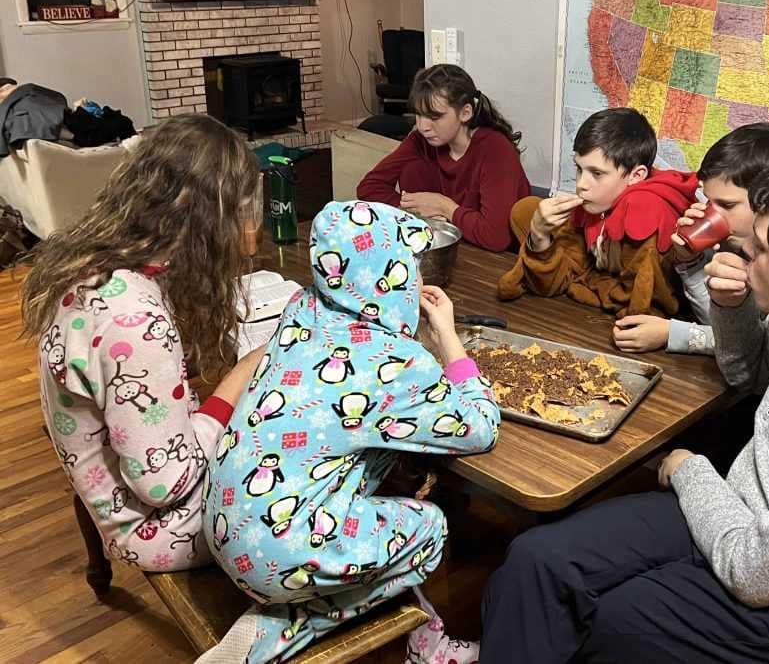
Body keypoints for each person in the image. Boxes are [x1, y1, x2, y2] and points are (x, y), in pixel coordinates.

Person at [477, 165, 769, 664]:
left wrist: (690, 470)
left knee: (612, 620)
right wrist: (731, 306)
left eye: (760, 249)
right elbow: (747, 371)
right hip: (742, 513)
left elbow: (757, 574)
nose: (743, 249)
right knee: (539, 561)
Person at [199, 201, 501, 664]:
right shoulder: (394, 363)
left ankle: (424, 639)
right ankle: (277, 630)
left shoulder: (302, 309)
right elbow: (480, 427)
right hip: (276, 551)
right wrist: (448, 337)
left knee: (384, 492)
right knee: (429, 529)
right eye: (411, 263)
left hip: (223, 521)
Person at [21, 114, 266, 571]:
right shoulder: (132, 319)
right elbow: (164, 484)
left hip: (119, 489)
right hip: (155, 529)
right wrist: (239, 378)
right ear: (209, 220)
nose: (248, 227)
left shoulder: (98, 266)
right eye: (242, 212)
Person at [613, 122, 769, 354]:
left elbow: (757, 345)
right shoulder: (730, 245)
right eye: (709, 201)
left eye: (727, 205)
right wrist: (691, 259)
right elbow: (719, 323)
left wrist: (672, 333)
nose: (712, 213)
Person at [498, 107, 699, 317]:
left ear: (636, 175)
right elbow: (552, 282)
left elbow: (643, 308)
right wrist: (539, 235)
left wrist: (589, 281)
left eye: (596, 173)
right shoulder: (597, 202)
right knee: (526, 210)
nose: (581, 184)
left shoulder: (646, 212)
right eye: (579, 169)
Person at [356, 64, 531, 252]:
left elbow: (496, 237)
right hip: (449, 246)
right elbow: (369, 187)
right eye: (418, 114)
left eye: (434, 117)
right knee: (412, 168)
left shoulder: (496, 149)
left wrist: (444, 207)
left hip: (501, 258)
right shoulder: (419, 140)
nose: (423, 126)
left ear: (465, 113)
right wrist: (415, 209)